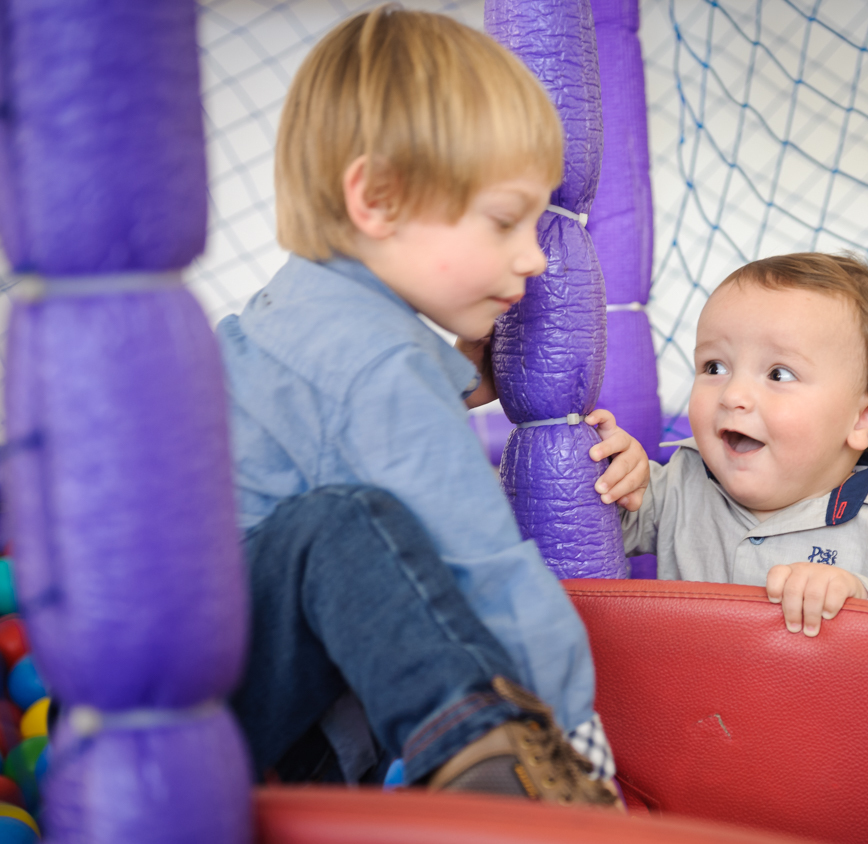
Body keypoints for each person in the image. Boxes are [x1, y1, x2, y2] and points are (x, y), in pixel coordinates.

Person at [216, 7, 646, 807]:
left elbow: (321, 425)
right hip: (232, 725)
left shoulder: (291, 312)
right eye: (505, 220)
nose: (532, 258)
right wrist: (573, 732)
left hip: (187, 699)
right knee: (349, 528)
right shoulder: (380, 366)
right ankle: (498, 763)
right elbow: (483, 565)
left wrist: (452, 382)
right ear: (377, 198)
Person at [622, 252, 868, 636]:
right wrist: (610, 469)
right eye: (714, 367)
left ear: (864, 418)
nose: (733, 394)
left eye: (779, 374)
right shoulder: (677, 484)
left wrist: (861, 596)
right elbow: (595, 525)